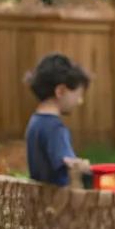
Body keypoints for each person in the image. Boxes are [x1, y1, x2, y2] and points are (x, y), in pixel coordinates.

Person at [25, 53, 90, 187]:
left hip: (38, 201)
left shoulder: (35, 122)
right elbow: (71, 167)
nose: (80, 101)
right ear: (60, 91)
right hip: (58, 202)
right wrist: (83, 167)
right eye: (78, 95)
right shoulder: (55, 129)